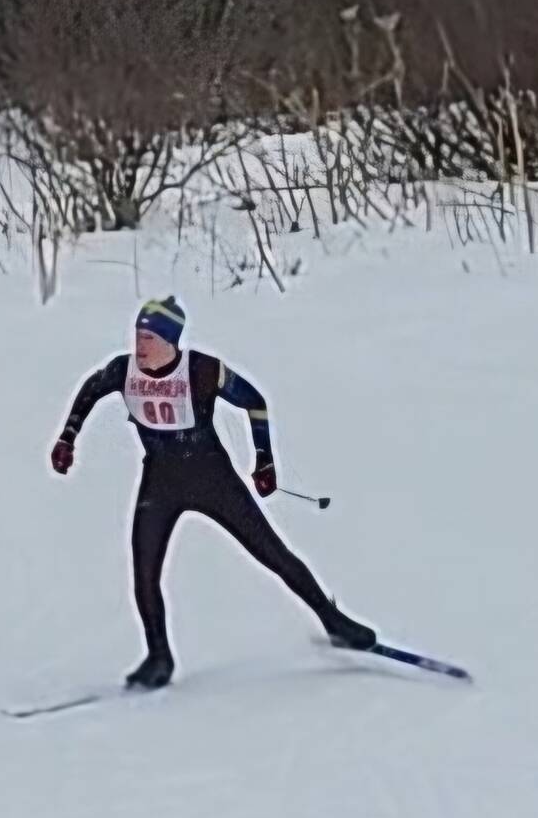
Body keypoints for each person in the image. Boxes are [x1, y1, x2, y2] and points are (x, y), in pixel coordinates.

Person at [48, 295, 375, 689]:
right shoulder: (123, 371)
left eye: (149, 336)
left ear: (171, 341)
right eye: (137, 334)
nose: (140, 344)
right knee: (144, 571)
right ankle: (158, 657)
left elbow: (255, 402)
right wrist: (68, 437)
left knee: (272, 553)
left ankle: (333, 620)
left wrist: (265, 461)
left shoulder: (201, 371)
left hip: (212, 479)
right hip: (161, 481)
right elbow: (90, 390)